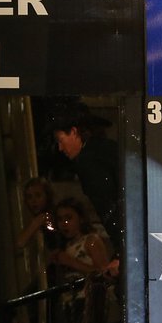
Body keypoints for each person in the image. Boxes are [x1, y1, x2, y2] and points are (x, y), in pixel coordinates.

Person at [50, 102, 122, 254]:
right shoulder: (107, 148)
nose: (60, 148)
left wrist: (121, 251)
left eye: (60, 140)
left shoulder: (87, 162)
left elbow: (109, 208)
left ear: (74, 132)